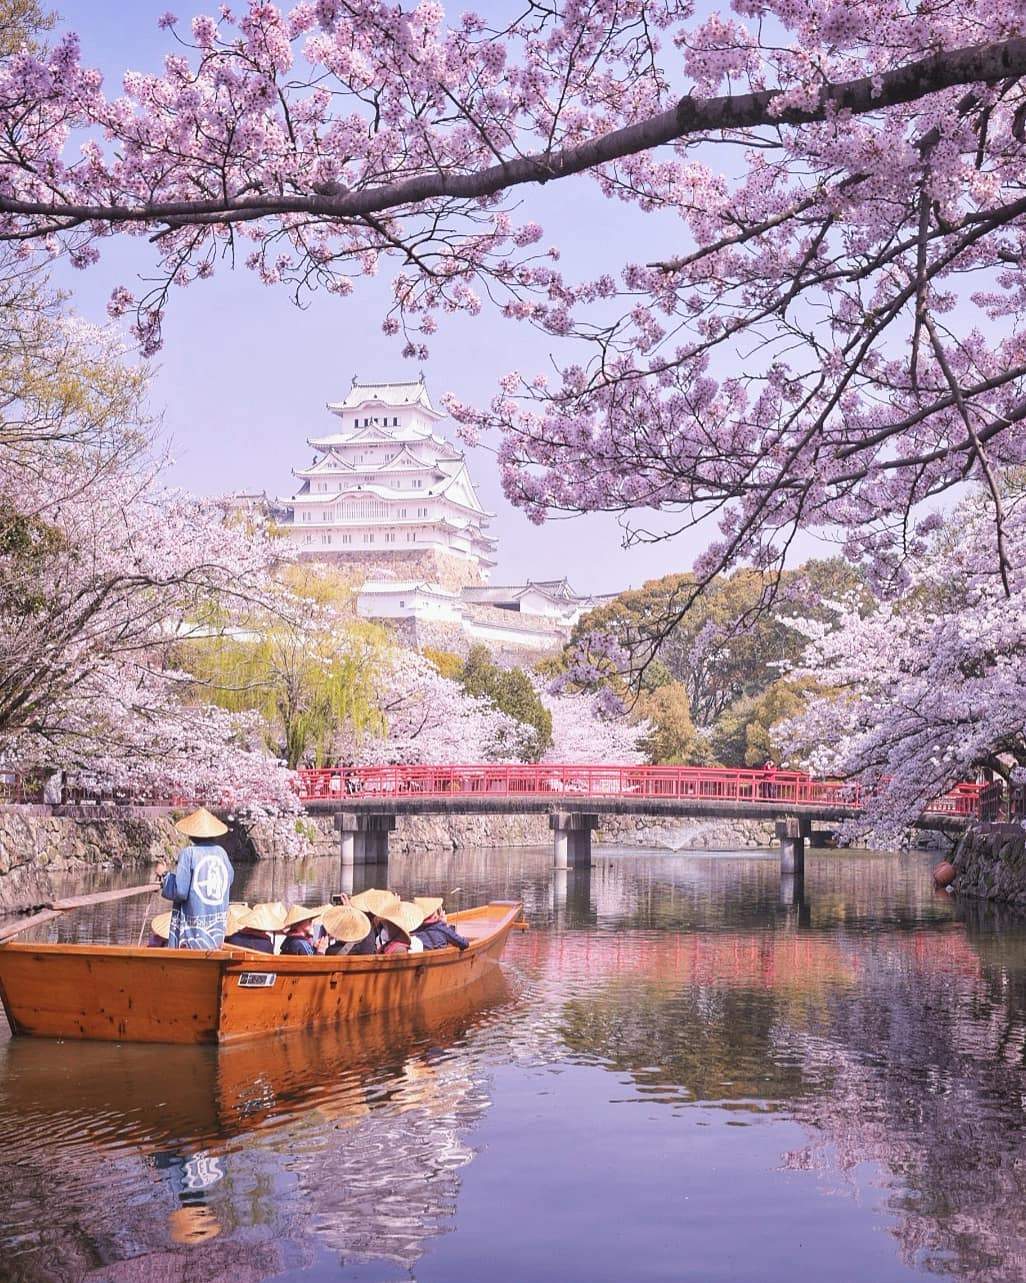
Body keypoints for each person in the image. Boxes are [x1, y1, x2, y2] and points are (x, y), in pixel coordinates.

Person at [158, 808, 234, 949]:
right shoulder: (221, 853)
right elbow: (230, 879)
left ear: (191, 834)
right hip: (216, 925)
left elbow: (180, 890)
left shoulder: (189, 853)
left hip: (194, 927)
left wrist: (165, 875)